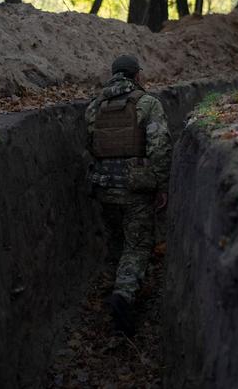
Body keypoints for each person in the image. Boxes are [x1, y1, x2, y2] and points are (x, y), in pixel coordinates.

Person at [85, 54, 172, 335]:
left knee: (117, 239)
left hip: (103, 186)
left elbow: (90, 144)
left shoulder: (94, 107)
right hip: (136, 187)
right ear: (136, 76)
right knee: (137, 245)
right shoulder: (147, 103)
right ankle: (123, 296)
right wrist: (160, 185)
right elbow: (159, 147)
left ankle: (116, 284)